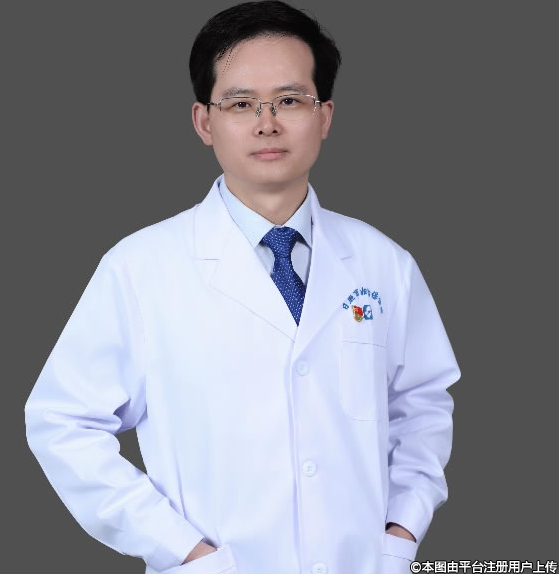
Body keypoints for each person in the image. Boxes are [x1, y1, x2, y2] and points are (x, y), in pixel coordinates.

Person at [24, 1, 461, 573]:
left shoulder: (384, 264)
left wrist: (401, 533)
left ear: (325, 116)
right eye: (240, 103)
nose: (266, 123)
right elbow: (64, 421)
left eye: (290, 101)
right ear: (204, 122)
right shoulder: (140, 267)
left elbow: (421, 405)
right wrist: (183, 551)